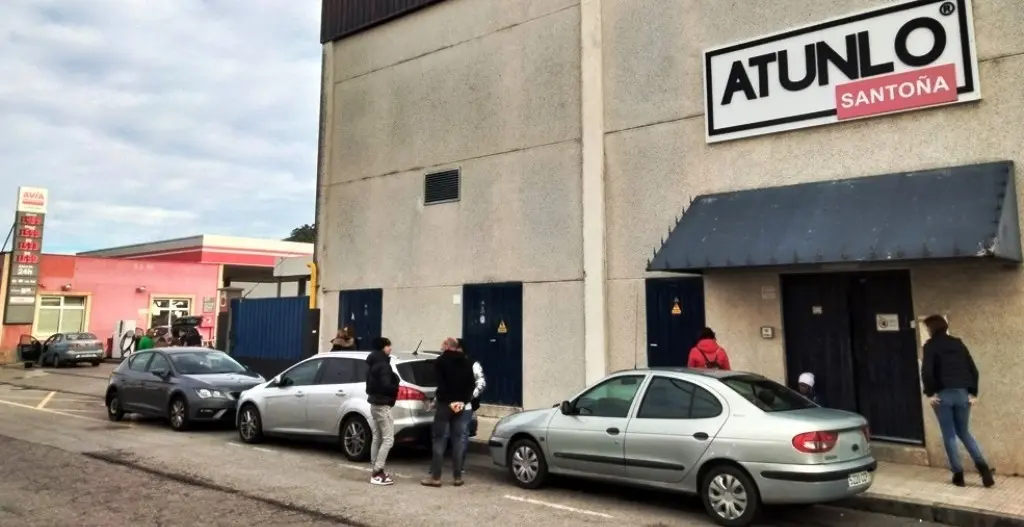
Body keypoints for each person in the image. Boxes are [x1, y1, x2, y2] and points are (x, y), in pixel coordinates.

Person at [921, 315, 995, 488]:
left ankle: (958, 475)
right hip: (962, 394)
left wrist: (930, 393)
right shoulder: (958, 343)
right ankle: (984, 470)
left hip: (943, 395)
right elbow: (973, 369)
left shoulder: (930, 346)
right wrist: (973, 393)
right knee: (964, 432)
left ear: (931, 328)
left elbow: (927, 372)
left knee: (949, 434)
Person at [422, 337, 475, 488]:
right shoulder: (466, 361)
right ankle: (457, 477)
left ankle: (436, 477)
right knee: (458, 439)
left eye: (442, 344)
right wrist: (462, 401)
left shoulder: (440, 361)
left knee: (439, 439)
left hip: (445, 404)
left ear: (446, 345)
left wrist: (446, 400)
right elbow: (471, 384)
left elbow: (441, 384)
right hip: (461, 404)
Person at [365, 336, 399, 486]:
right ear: (382, 347)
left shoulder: (372, 364)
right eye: (388, 346)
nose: (390, 348)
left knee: (377, 437)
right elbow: (386, 386)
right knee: (388, 439)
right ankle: (377, 472)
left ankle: (376, 467)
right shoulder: (384, 366)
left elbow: (369, 388)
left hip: (374, 404)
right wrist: (396, 384)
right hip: (382, 405)